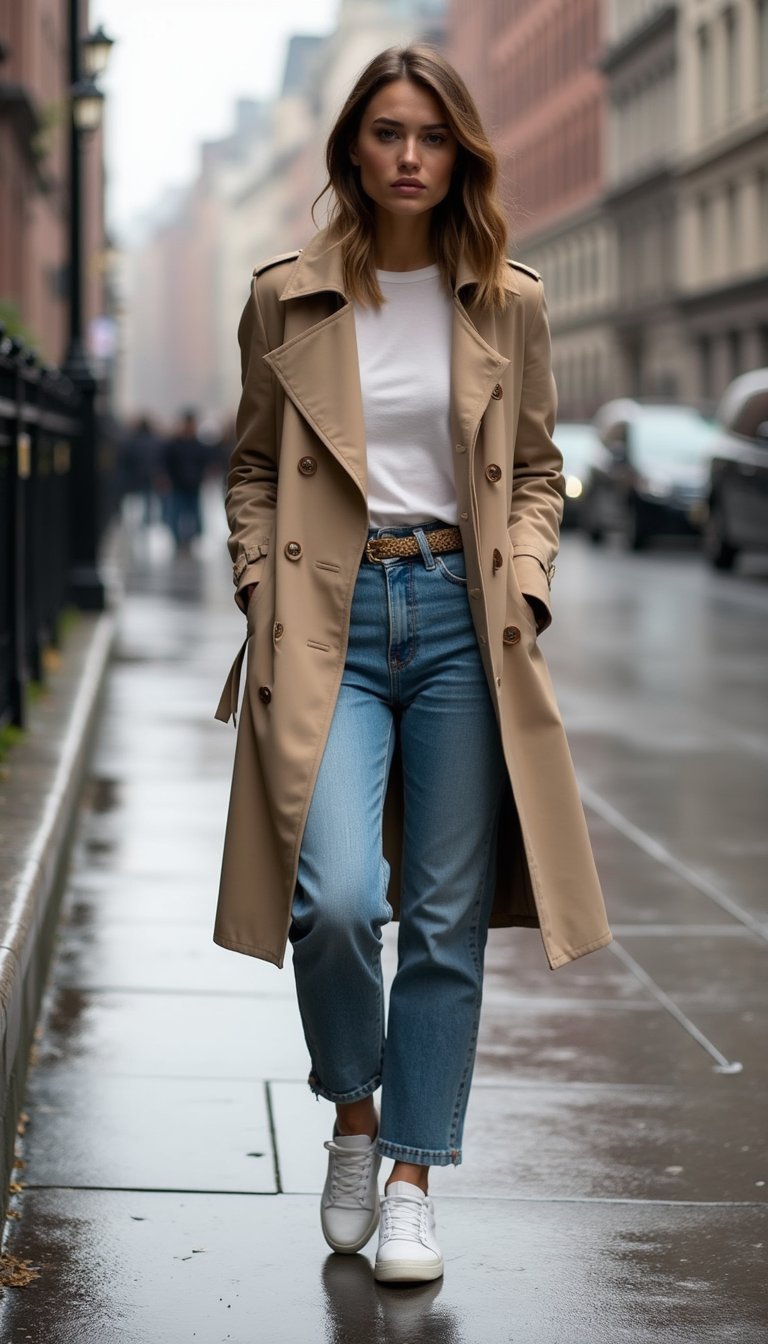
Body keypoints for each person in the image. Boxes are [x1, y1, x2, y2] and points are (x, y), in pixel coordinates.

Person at [214, 45, 611, 1284]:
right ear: (352, 150)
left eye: (431, 137)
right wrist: (258, 584)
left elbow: (537, 469)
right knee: (334, 898)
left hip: (459, 616)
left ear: (459, 156)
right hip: (326, 612)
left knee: (444, 920)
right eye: (386, 133)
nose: (407, 156)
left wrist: (527, 585)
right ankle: (352, 1112)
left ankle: (413, 1180)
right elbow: (251, 468)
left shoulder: (511, 299)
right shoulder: (286, 296)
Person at [163, 408, 210, 549]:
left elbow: (204, 462)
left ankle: (191, 538)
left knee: (193, 513)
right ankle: (179, 539)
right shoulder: (174, 444)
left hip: (193, 484)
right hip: (178, 484)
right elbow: (167, 462)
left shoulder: (198, 444)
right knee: (177, 513)